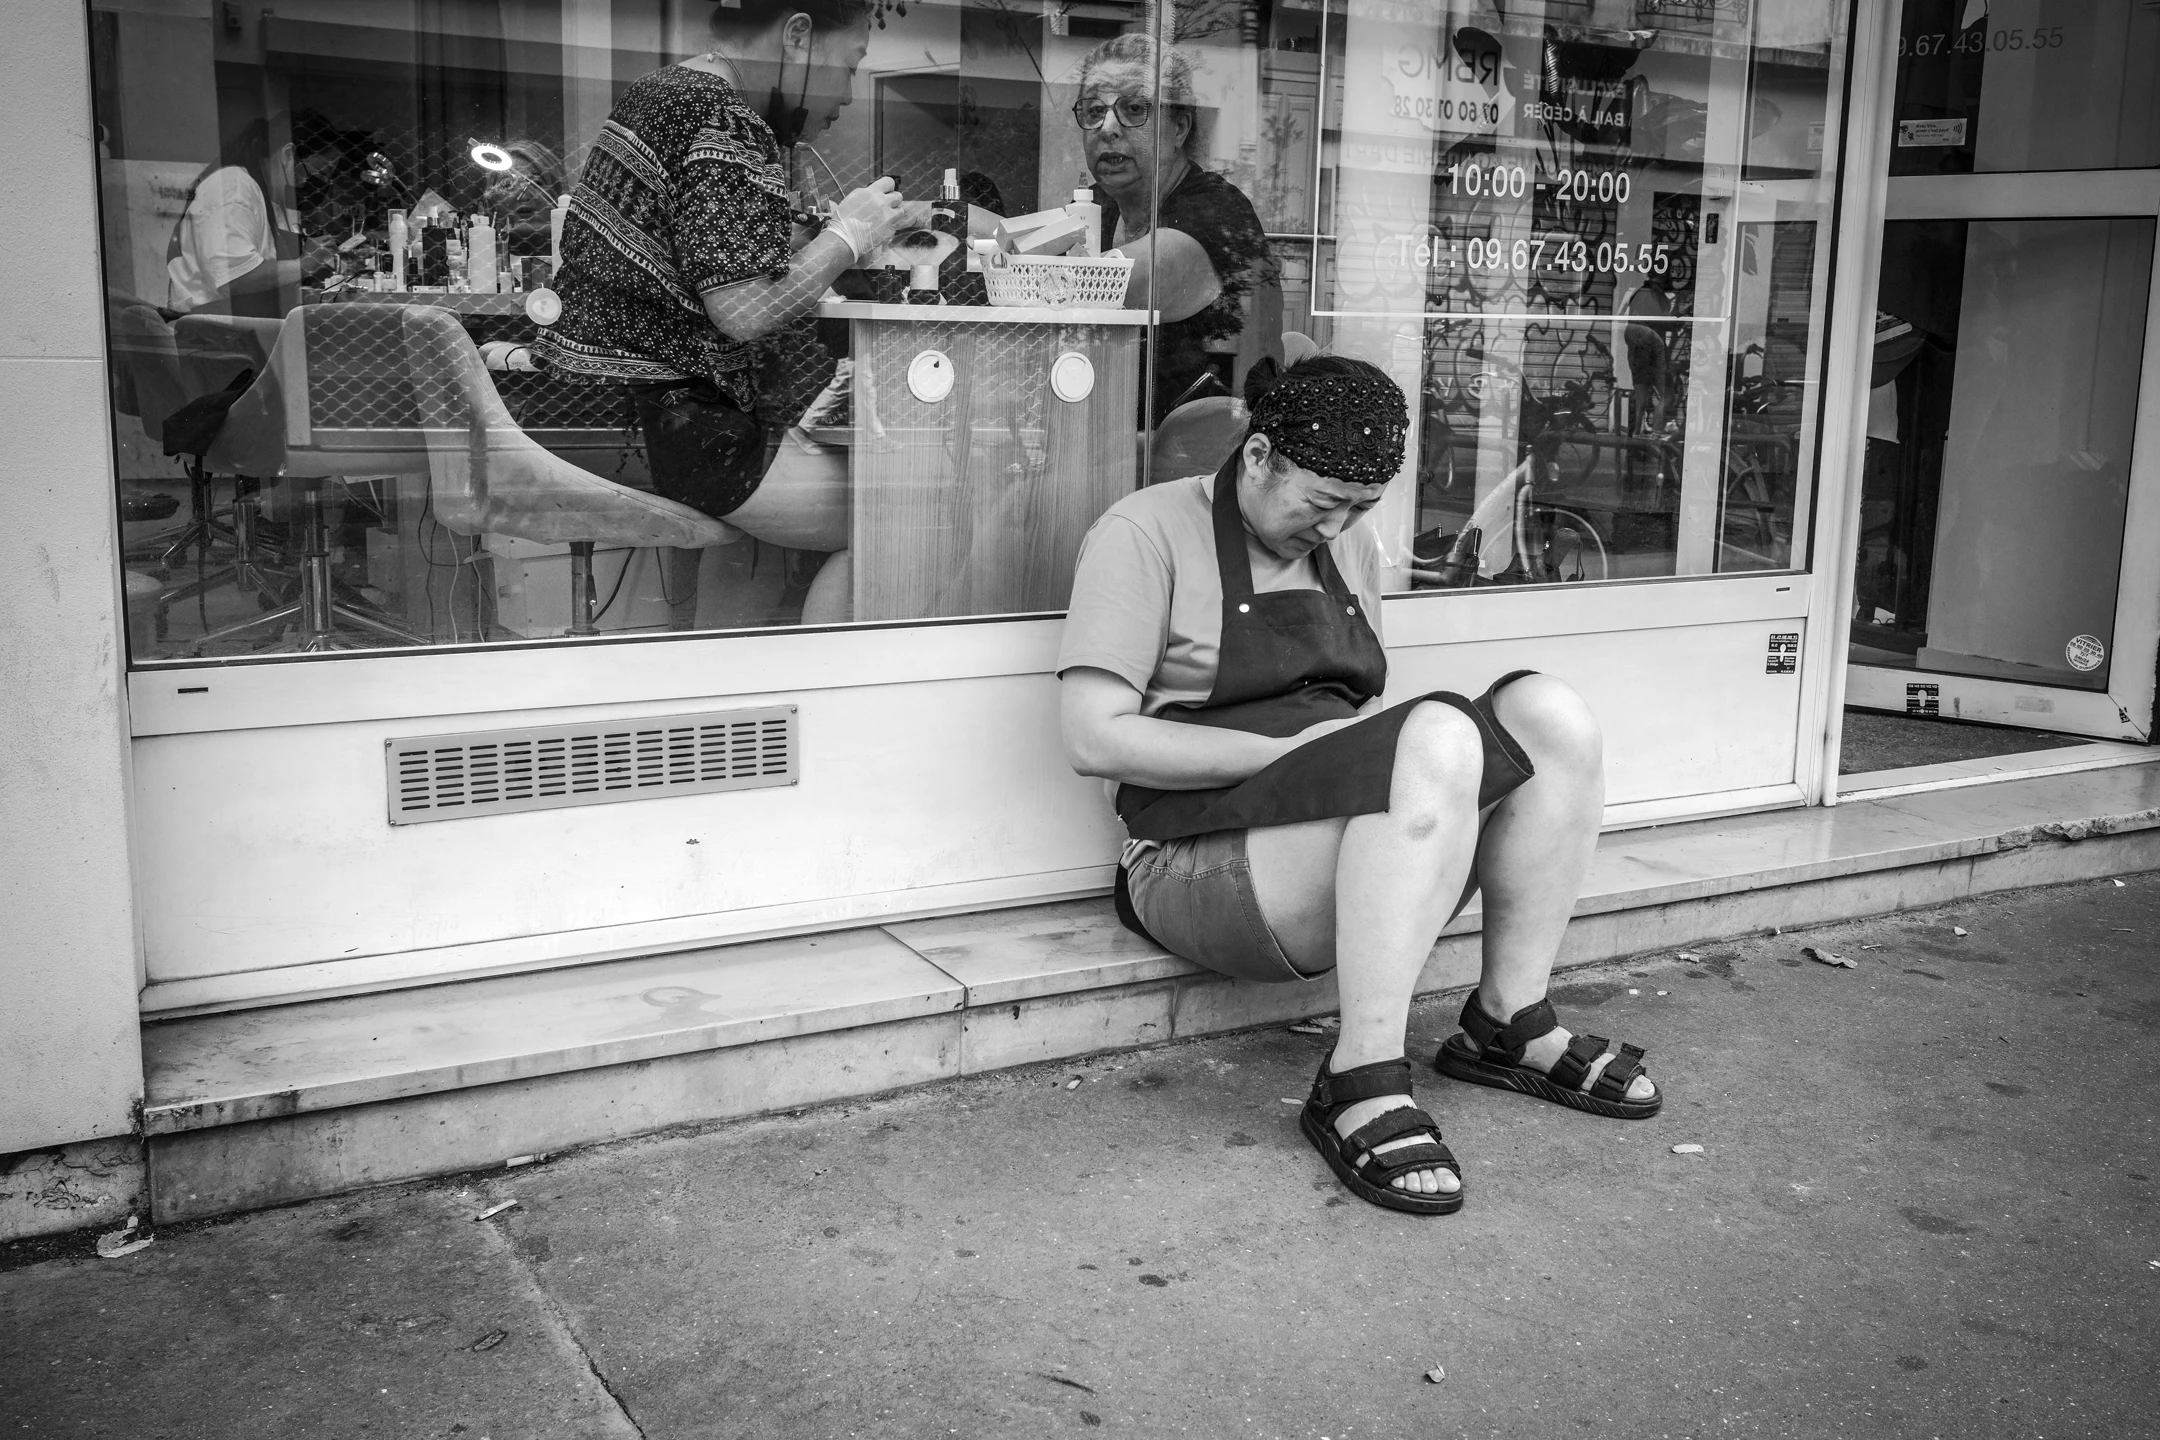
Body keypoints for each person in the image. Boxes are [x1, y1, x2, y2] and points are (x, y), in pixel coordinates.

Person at [1056, 356, 1659, 1216]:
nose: (1336, 526)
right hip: (1192, 861)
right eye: (1321, 503)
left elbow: (1368, 707)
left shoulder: (1349, 543)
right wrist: (1305, 755)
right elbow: (1091, 737)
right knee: (1436, 732)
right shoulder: (1143, 532)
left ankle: (1507, 1021)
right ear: (1258, 455)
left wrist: (1350, 754)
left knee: (1549, 714)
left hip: (1326, 839)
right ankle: (1360, 1074)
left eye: (1361, 508)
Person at [534, 0, 909, 622]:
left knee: (761, 547)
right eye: (850, 65)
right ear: (798, 36)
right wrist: (848, 237)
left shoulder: (663, 92)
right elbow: (746, 311)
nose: (847, 94)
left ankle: (732, 687)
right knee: (896, 516)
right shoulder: (723, 118)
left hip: (617, 414)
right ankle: (830, 703)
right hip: (681, 428)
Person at [1073, 34, 1282, 423]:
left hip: (1207, 452)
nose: (1108, 127)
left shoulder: (1217, 209)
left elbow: (1105, 283)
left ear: (1179, 128)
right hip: (1113, 433)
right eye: (1092, 110)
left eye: (1134, 109)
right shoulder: (1097, 205)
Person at [167, 112, 341, 317]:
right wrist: (303, 265)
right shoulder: (234, 187)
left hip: (238, 323)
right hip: (214, 328)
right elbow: (234, 278)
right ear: (288, 154)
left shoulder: (263, 192)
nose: (315, 182)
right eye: (320, 171)